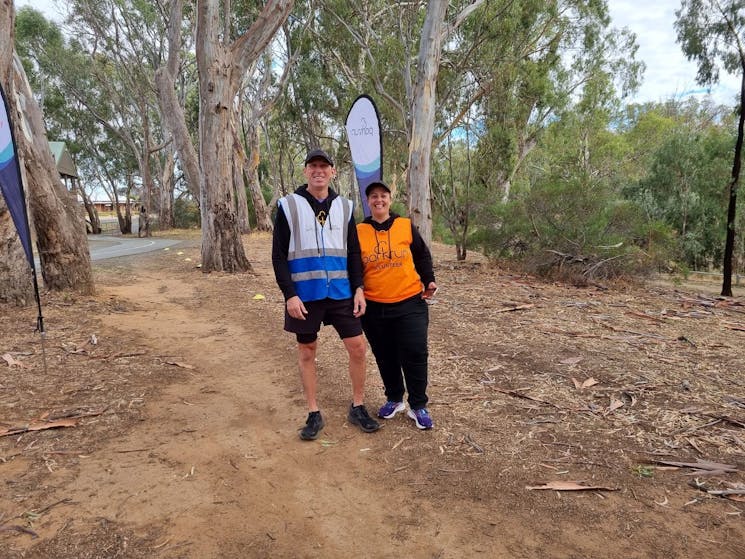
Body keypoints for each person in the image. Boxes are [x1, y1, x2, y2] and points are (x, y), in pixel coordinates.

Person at [272, 148, 380, 440]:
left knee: (358, 347)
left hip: (341, 292)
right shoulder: (288, 205)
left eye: (324, 166)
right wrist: (289, 295)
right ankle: (313, 412)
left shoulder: (345, 206)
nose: (318, 170)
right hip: (305, 294)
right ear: (306, 171)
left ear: (333, 172)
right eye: (313, 166)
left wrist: (359, 287)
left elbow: (354, 251)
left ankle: (358, 406)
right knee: (307, 351)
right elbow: (279, 255)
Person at [357, 180, 437, 430]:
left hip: (410, 301)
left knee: (415, 353)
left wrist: (429, 280)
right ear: (368, 202)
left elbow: (422, 254)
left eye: (383, 196)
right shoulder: (358, 230)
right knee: (385, 355)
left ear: (390, 200)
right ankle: (394, 398)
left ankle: (418, 405)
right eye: (373, 197)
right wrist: (357, 290)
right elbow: (354, 265)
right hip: (374, 306)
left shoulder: (405, 225)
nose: (378, 200)